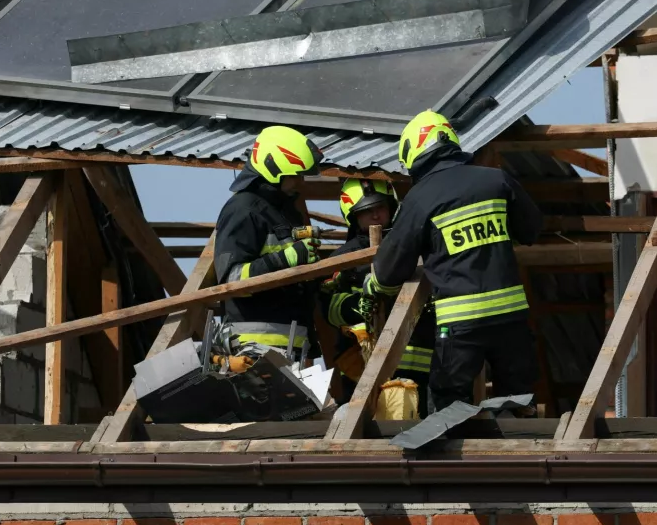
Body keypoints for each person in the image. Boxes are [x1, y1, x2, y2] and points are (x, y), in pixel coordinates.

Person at [362, 110, 544, 414]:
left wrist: (374, 285)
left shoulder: (421, 197)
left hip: (460, 326)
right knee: (517, 404)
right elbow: (531, 229)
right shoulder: (496, 179)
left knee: (448, 413)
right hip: (511, 319)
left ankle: (453, 463)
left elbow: (390, 269)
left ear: (415, 152)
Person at [319, 179, 436, 417]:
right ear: (353, 216)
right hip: (364, 370)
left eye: (380, 208)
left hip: (422, 365)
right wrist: (359, 306)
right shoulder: (344, 258)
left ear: (392, 208)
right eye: (366, 211)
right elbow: (329, 309)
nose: (375, 216)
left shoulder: (416, 248)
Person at [212, 125, 324, 360]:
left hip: (294, 346)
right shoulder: (243, 210)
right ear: (274, 169)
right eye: (295, 175)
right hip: (253, 349)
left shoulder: (285, 211)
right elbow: (232, 281)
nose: (300, 182)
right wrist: (287, 258)